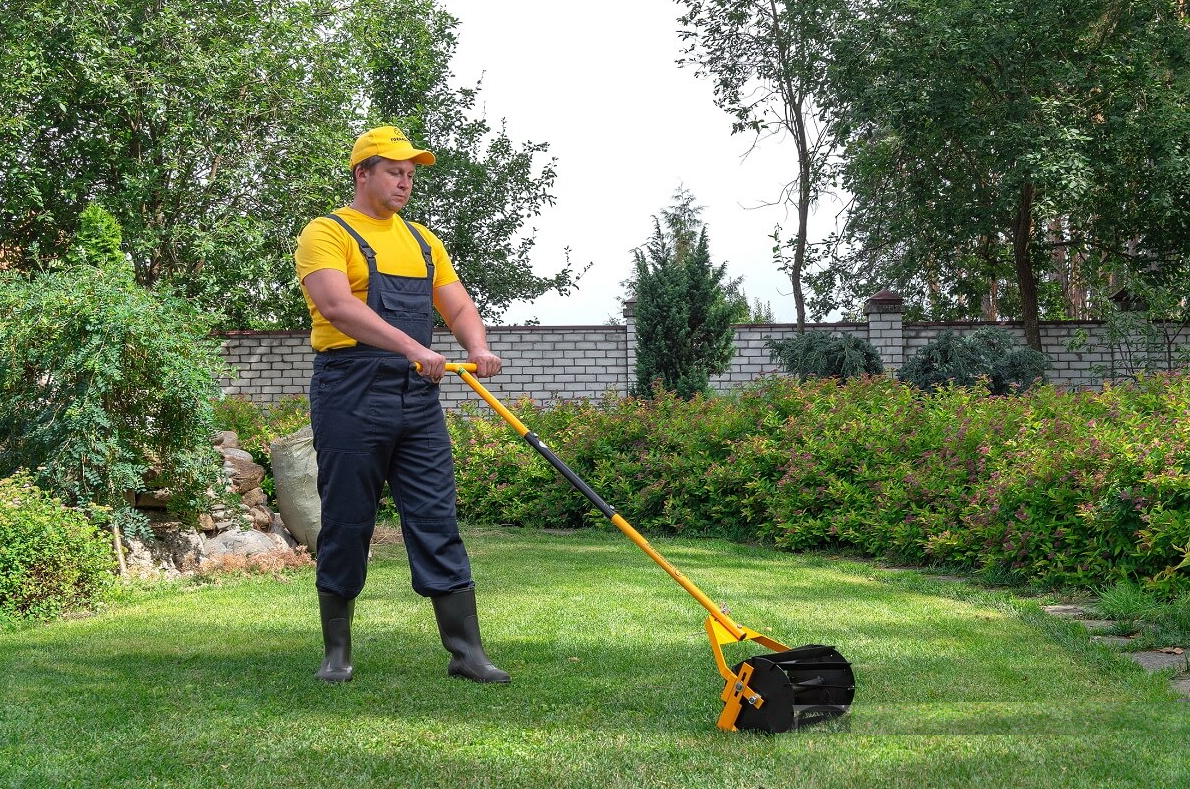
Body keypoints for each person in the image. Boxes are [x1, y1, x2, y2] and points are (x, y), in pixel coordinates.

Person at [294, 125, 509, 685]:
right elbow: (337, 307)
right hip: (350, 389)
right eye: (394, 171)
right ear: (362, 172)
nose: (405, 183)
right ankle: (337, 653)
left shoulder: (421, 241)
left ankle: (467, 652)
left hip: (417, 398)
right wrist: (417, 347)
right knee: (346, 518)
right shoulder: (325, 233)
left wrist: (478, 345)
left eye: (411, 174)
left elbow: (458, 305)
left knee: (437, 518)